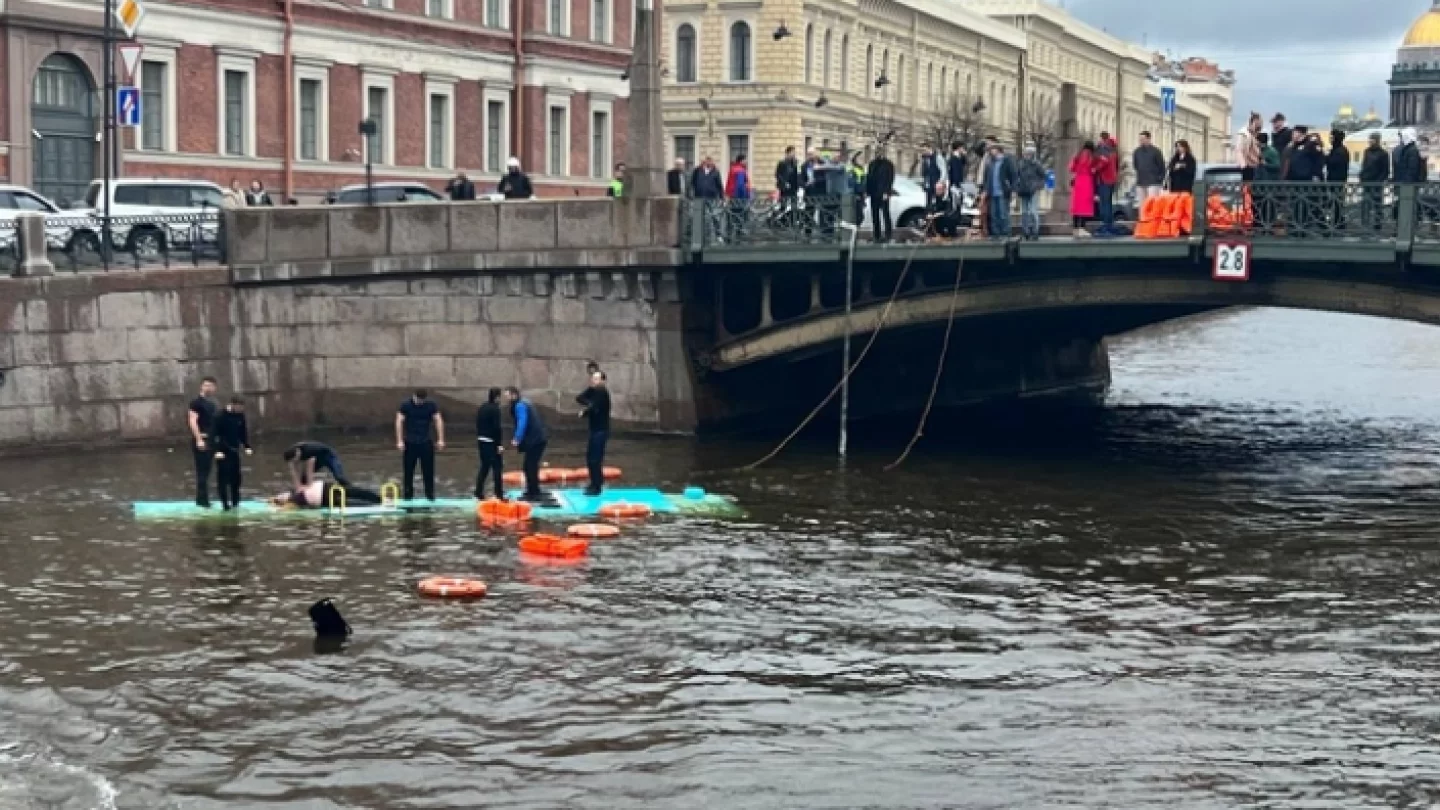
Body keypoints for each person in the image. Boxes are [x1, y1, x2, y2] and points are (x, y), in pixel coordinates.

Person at [396, 389, 444, 502]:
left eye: (422, 401)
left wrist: (441, 439)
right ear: (414, 396)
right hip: (410, 442)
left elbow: (438, 420)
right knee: (408, 471)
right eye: (418, 400)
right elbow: (399, 421)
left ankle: (430, 495)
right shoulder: (406, 405)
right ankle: (408, 496)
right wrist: (399, 440)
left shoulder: (431, 405)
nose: (420, 402)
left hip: (425, 442)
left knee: (428, 470)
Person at [505, 387, 549, 502]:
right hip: (538, 439)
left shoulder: (520, 406)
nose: (506, 398)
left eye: (508, 396)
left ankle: (533, 493)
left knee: (530, 466)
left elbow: (522, 422)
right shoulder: (524, 402)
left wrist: (517, 438)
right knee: (530, 466)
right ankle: (533, 490)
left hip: (535, 440)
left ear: (514, 395)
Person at [211, 396, 252, 511]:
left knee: (236, 478)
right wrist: (216, 451)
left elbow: (243, 433)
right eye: (238, 407)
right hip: (222, 451)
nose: (240, 410)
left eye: (242, 408)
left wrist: (246, 446)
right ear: (232, 405)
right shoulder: (219, 416)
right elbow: (214, 435)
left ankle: (235, 503)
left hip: (234, 450)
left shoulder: (240, 416)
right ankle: (225, 504)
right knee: (223, 478)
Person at [575, 370, 612, 496]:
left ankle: (596, 487)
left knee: (594, 459)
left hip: (601, 431)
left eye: (597, 379)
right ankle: (596, 482)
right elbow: (579, 398)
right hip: (595, 430)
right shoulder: (595, 391)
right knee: (591, 458)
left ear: (603, 381)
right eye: (593, 379)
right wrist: (590, 389)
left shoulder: (602, 392)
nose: (594, 381)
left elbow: (595, 406)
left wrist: (584, 412)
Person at [187, 376, 219, 508]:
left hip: (212, 441)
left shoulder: (213, 404)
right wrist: (199, 439)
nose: (208, 388)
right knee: (201, 472)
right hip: (202, 439)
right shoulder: (196, 403)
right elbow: (192, 421)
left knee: (207, 471)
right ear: (201, 386)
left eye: (211, 386)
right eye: (206, 385)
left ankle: (203, 499)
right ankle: (202, 501)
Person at [475, 387, 505, 500]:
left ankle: (478, 492)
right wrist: (499, 444)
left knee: (484, 466)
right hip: (491, 442)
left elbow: (478, 423)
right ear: (497, 397)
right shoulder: (495, 409)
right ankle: (499, 494)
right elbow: (497, 428)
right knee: (497, 467)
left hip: (481, 440)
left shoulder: (483, 407)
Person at [271, 479, 383, 510]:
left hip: (326, 487)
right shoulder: (293, 502)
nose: (282, 495)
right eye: (281, 498)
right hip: (324, 499)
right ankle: (375, 505)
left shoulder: (294, 489)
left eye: (280, 495)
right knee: (349, 503)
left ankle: (379, 499)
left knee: (355, 491)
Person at [983, 142, 1017, 238]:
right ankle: (995, 232)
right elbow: (987, 178)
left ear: (998, 150)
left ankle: (1006, 232)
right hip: (992, 192)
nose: (990, 152)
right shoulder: (990, 163)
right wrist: (986, 190)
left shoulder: (1006, 161)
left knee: (1003, 213)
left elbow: (1013, 175)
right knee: (994, 214)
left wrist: (1012, 189)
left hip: (1003, 191)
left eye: (992, 150)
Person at [1359, 131, 1391, 232]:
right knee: (1365, 205)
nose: (1370, 141)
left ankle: (1377, 226)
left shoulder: (1383, 154)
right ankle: (1365, 225)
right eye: (1370, 139)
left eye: (1372, 139)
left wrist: (1378, 181)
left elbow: (1385, 171)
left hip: (1376, 184)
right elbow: (1364, 165)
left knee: (1377, 205)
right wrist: (1362, 176)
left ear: (1377, 140)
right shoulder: (1367, 151)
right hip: (1366, 183)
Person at [284, 441, 351, 489]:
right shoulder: (293, 451)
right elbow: (297, 471)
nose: (295, 462)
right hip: (318, 459)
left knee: (339, 477)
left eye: (294, 460)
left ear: (296, 455)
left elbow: (309, 471)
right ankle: (302, 495)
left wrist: (310, 489)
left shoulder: (308, 451)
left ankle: (351, 488)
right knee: (303, 479)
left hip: (329, 456)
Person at [1015, 145, 1045, 240]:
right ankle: (1026, 231)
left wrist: (1037, 186)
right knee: (1024, 212)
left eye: (1028, 154)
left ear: (1032, 155)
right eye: (1025, 153)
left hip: (1033, 190)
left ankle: (1035, 231)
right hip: (1023, 190)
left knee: (1033, 211)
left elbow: (1043, 176)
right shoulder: (1020, 164)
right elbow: (1017, 176)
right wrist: (1017, 186)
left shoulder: (1036, 164)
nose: (1026, 155)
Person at [865, 149, 896, 243]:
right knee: (875, 215)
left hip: (883, 193)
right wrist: (867, 191)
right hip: (874, 193)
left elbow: (890, 179)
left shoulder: (888, 164)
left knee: (886, 213)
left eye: (880, 152)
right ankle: (876, 234)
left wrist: (887, 192)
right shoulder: (872, 164)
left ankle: (888, 234)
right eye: (877, 152)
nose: (879, 154)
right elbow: (869, 178)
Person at [1069, 141, 1098, 237]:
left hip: (1078, 181)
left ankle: (1075, 229)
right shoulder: (1089, 155)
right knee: (1084, 206)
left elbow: (1071, 168)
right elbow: (1091, 168)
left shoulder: (1078, 155)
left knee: (1077, 206)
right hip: (1086, 181)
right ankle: (1082, 228)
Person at [1094, 132, 1120, 236]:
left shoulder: (1103, 150)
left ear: (1102, 139)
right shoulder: (1113, 150)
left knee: (1104, 203)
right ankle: (1109, 224)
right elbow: (1116, 166)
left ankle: (1105, 225)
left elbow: (1103, 163)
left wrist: (1094, 169)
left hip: (1104, 179)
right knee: (1108, 203)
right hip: (1112, 180)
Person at [1326, 129, 1352, 232]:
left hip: (1337, 181)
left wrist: (1326, 157)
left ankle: (1339, 224)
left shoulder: (1340, 151)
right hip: (1336, 180)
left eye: (1332, 137)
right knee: (1336, 204)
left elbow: (1332, 163)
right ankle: (1338, 223)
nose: (1330, 139)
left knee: (1337, 204)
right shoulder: (1339, 150)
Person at [1133, 131, 1166, 204]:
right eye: (1140, 139)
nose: (1141, 141)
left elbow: (1162, 166)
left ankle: (1153, 216)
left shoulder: (1156, 151)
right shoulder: (1137, 152)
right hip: (1141, 182)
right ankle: (1143, 215)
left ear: (1148, 139)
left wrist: (1159, 179)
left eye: (1143, 139)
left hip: (1153, 182)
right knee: (1142, 205)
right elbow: (1135, 165)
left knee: (1152, 203)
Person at [1237, 112, 1261, 183]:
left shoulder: (1252, 134)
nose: (1258, 126)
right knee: (1247, 189)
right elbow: (1240, 150)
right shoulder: (1245, 134)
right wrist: (1244, 166)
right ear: (1253, 122)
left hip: (1252, 167)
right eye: (1258, 124)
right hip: (1247, 167)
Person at [919, 143, 944, 207]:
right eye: (922, 150)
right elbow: (923, 173)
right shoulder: (924, 159)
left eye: (924, 150)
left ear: (929, 148)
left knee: (938, 203)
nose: (923, 152)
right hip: (928, 184)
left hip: (937, 184)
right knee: (929, 203)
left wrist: (940, 182)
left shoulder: (937, 157)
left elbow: (943, 171)